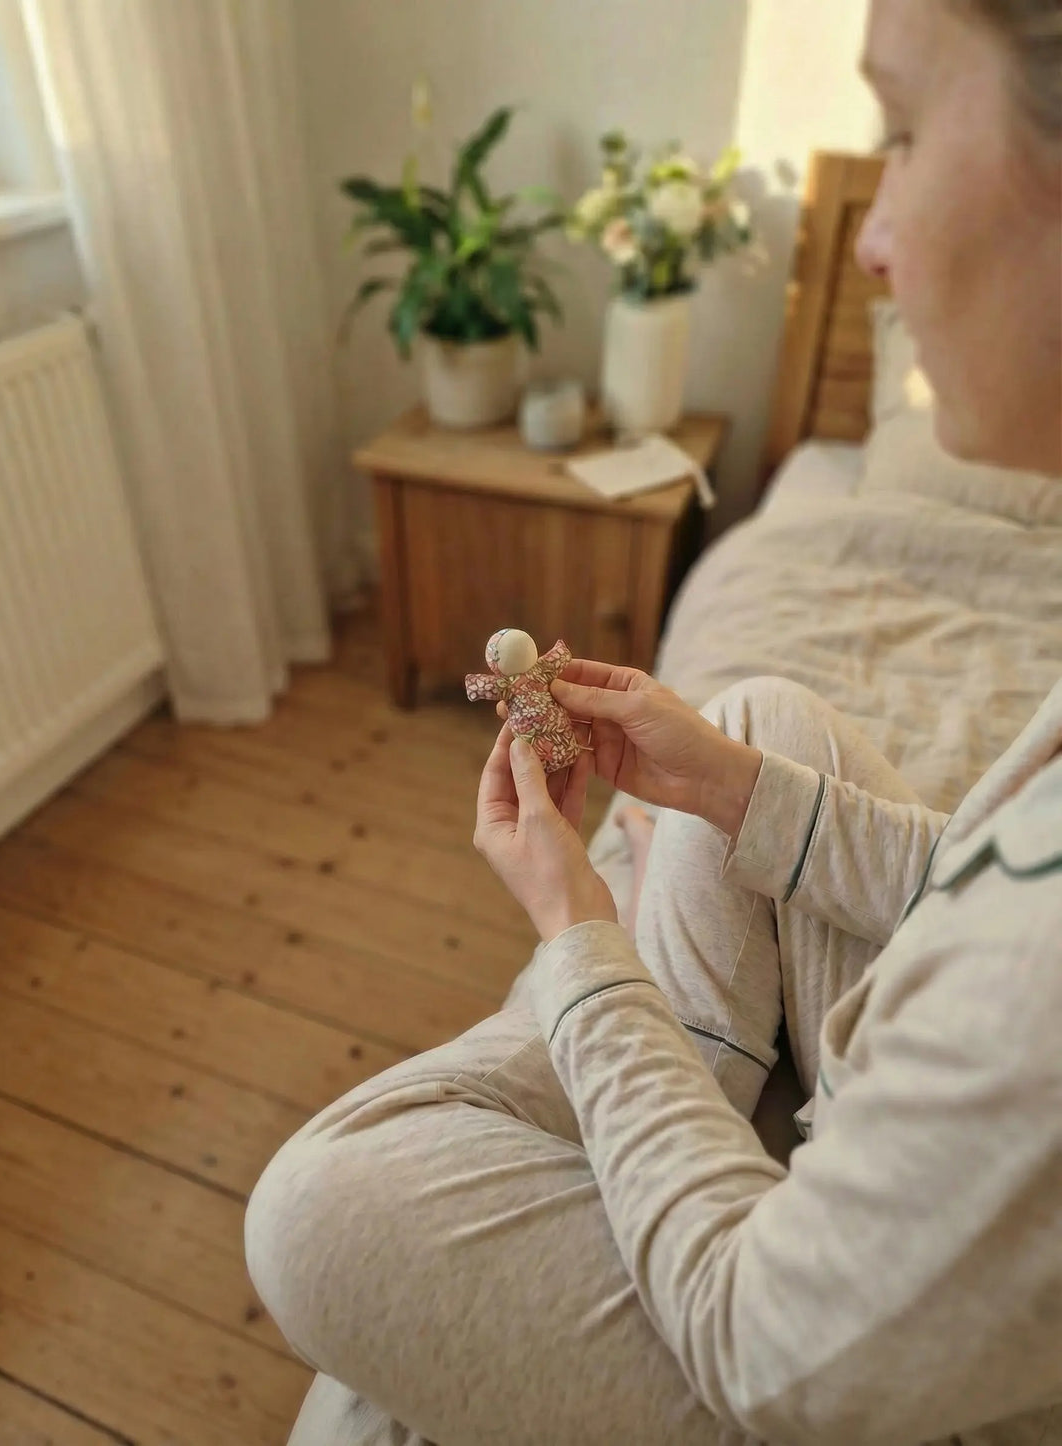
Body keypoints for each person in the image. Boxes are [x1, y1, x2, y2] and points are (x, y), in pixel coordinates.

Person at [245, 0, 1062, 1441]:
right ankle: (688, 1062)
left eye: (914, 130)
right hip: (885, 1112)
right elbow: (984, 886)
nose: (872, 234)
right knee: (751, 713)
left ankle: (661, 1063)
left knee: (313, 1207)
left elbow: (766, 1344)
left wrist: (574, 929)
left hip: (801, 1348)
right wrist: (738, 784)